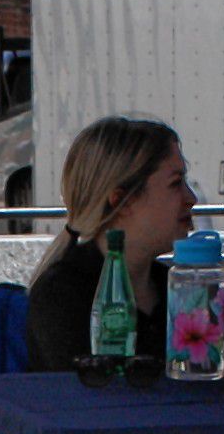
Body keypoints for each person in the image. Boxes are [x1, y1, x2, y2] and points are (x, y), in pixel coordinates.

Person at [22, 116, 197, 372]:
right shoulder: (63, 294)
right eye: (175, 184)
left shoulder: (176, 287)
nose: (190, 198)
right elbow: (95, 397)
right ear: (122, 201)